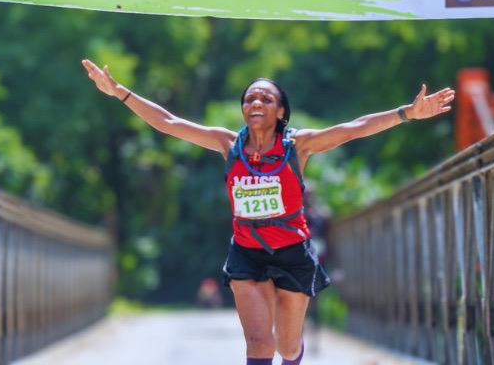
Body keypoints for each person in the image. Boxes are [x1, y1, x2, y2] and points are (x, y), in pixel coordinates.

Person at [81, 59, 455, 365]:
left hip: (293, 253)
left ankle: (293, 355)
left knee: (287, 348)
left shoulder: (299, 146)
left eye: (264, 98)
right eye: (249, 99)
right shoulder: (228, 144)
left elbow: (354, 128)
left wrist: (408, 113)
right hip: (247, 252)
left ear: (280, 111)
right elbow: (169, 123)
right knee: (259, 345)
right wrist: (119, 93)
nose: (255, 104)